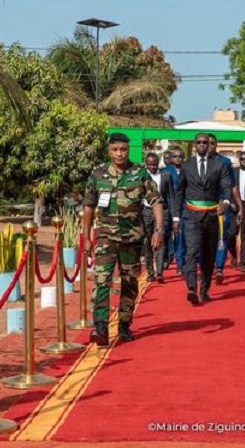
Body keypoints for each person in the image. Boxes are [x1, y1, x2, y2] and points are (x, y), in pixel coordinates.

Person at [83, 133, 164, 346]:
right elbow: (88, 205)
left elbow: (155, 201)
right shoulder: (98, 174)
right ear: (109, 151)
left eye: (123, 150)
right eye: (115, 150)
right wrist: (86, 236)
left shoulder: (139, 173)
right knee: (102, 280)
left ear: (128, 150)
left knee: (129, 283)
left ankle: (124, 325)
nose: (119, 154)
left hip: (132, 238)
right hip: (105, 238)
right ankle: (99, 327)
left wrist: (159, 229)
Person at [173, 133, 231, 304]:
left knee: (208, 254)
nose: (202, 145)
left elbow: (226, 186)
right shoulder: (186, 165)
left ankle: (204, 289)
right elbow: (180, 192)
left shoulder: (219, 165)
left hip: (212, 216)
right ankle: (191, 288)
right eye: (198, 142)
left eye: (205, 143)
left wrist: (226, 202)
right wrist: (176, 217)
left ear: (210, 145)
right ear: (194, 145)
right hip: (191, 216)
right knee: (192, 252)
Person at [207, 134, 243, 283]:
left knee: (222, 237)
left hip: (223, 205)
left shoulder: (225, 162)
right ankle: (207, 267)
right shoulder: (194, 163)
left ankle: (220, 268)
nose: (209, 146)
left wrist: (240, 206)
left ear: (216, 145)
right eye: (205, 143)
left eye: (212, 143)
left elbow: (232, 186)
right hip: (203, 206)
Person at [143, 152, 174, 283]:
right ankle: (150, 272)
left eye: (155, 164)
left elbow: (171, 196)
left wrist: (173, 216)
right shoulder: (142, 177)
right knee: (147, 243)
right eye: (150, 165)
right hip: (146, 211)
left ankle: (160, 272)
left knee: (160, 240)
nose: (153, 167)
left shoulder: (166, 176)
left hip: (163, 211)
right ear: (146, 164)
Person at [164, 147, 186, 275]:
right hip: (168, 208)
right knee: (166, 236)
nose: (178, 159)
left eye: (180, 156)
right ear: (171, 159)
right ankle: (167, 258)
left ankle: (180, 264)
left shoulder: (187, 170)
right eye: (175, 156)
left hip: (182, 209)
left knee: (180, 237)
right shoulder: (165, 172)